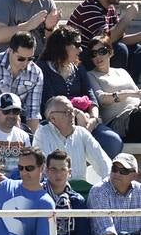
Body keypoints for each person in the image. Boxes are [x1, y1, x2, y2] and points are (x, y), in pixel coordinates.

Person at [41, 28, 124, 156]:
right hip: (55, 123)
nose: (81, 50)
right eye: (77, 45)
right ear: (63, 46)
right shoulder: (43, 68)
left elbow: (91, 97)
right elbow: (50, 102)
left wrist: (93, 119)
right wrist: (77, 114)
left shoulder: (79, 68)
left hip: (85, 121)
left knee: (112, 141)